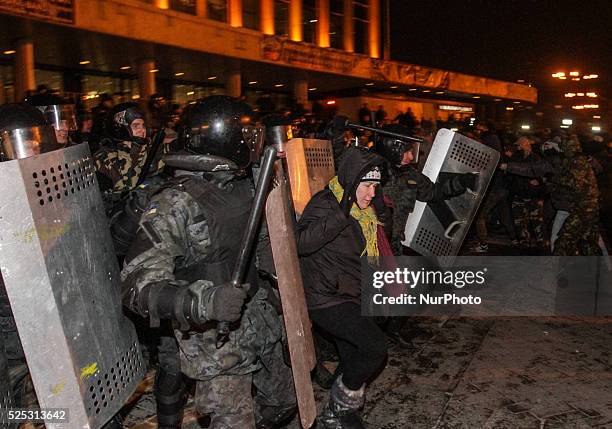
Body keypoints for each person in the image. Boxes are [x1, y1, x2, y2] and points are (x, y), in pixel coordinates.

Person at [121, 95, 296, 429]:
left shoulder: (245, 183)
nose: (255, 144)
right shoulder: (176, 202)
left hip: (259, 319)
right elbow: (135, 285)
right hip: (214, 337)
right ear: (227, 139)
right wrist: (205, 301)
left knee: (284, 402)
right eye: (248, 137)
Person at [297, 146, 388, 428]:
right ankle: (339, 408)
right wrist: (341, 210)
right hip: (325, 297)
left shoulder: (365, 211)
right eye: (367, 185)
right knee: (375, 348)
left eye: (375, 186)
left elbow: (365, 254)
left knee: (353, 355)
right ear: (351, 181)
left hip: (349, 294)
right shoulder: (326, 202)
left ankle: (340, 414)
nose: (372, 193)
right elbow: (302, 242)